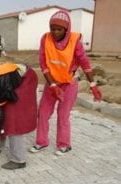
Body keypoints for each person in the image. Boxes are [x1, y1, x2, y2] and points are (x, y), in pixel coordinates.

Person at [30, 10, 102, 156]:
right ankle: (41, 142)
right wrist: (53, 85)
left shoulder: (75, 41)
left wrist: (93, 85)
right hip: (52, 83)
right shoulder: (45, 39)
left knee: (63, 114)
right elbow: (43, 65)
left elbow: (85, 63)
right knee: (43, 112)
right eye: (52, 28)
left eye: (59, 29)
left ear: (66, 29)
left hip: (69, 84)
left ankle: (64, 144)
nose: (55, 32)